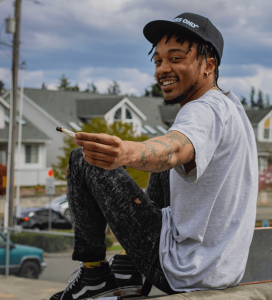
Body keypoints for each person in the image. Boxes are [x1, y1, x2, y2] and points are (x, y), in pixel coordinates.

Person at [50, 12, 258, 300]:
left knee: (84, 158)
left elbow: (173, 148)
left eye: (176, 58)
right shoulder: (231, 106)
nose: (162, 69)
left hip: (184, 269)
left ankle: (94, 275)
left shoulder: (202, 110)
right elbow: (173, 147)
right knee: (165, 167)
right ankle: (126, 267)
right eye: (158, 61)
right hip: (220, 268)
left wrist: (126, 152)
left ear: (209, 64)